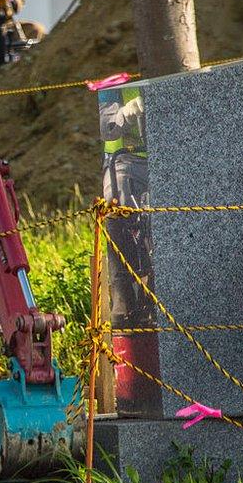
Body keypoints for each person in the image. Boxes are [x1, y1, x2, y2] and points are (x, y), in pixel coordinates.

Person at [97, 88, 155, 330]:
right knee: (119, 224)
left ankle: (155, 303)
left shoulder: (164, 64)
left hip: (163, 161)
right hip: (124, 164)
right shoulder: (114, 82)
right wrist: (125, 114)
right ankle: (125, 308)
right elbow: (107, 129)